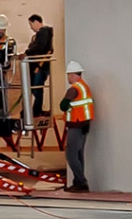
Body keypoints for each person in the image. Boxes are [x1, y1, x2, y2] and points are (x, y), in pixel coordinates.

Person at [60, 61, 94, 193]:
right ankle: (78, 181)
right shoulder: (84, 87)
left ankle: (81, 182)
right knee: (79, 154)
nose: (68, 78)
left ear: (74, 75)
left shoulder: (74, 89)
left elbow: (63, 105)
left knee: (71, 154)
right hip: (84, 124)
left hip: (76, 124)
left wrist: (65, 105)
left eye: (69, 75)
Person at [24, 14, 54, 117]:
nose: (30, 27)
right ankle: (34, 110)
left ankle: (36, 111)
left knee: (37, 89)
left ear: (36, 22)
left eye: (31, 24)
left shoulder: (43, 32)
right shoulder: (39, 36)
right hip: (38, 66)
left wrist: (28, 52)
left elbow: (40, 47)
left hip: (40, 66)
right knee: (35, 88)